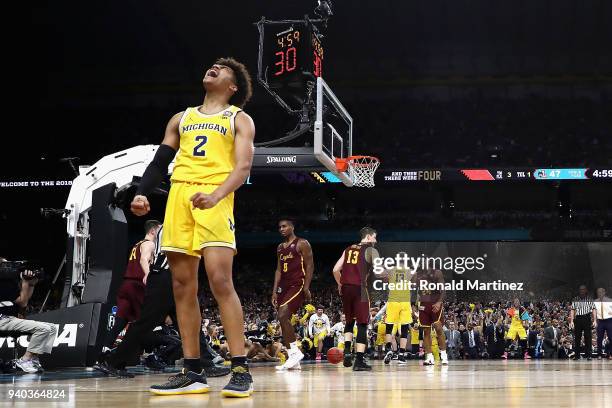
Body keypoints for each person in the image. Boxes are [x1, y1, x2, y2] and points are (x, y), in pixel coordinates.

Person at [131, 57, 255, 397]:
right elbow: (160, 162)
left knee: (219, 279)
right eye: (212, 65)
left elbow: (242, 168)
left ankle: (240, 368)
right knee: (182, 284)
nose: (213, 67)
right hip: (180, 196)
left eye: (222, 68)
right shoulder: (181, 118)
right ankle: (192, 370)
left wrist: (216, 196)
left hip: (214, 195)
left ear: (232, 87)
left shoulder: (239, 119)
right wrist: (142, 194)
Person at [94, 226, 230, 379]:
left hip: (176, 277)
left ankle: (205, 363)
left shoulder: (180, 223)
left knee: (192, 321)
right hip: (164, 277)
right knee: (144, 323)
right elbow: (149, 257)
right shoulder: (173, 223)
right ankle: (113, 361)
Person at [99, 220, 161, 356]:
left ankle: (105, 349)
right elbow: (143, 260)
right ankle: (151, 355)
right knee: (146, 321)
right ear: (152, 231)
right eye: (160, 230)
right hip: (137, 285)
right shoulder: (150, 244)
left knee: (121, 321)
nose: (161, 233)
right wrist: (148, 274)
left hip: (126, 284)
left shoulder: (137, 244)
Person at [332, 226, 379, 371]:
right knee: (363, 324)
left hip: (346, 287)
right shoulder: (371, 250)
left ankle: (347, 350)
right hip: (360, 288)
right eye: (375, 237)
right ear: (369, 236)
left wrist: (340, 284)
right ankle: (359, 361)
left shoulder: (348, 249)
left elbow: (335, 270)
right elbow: (379, 270)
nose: (376, 240)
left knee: (349, 321)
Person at [0, 259, 57, 373]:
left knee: (52, 328)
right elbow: (23, 302)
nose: (8, 268)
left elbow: (24, 298)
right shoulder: (3, 285)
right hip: (2, 320)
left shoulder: (8, 283)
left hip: (9, 319)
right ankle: (24, 360)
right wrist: (26, 282)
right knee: (44, 329)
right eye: (4, 265)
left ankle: (33, 358)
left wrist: (30, 283)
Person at [271, 218, 314, 370]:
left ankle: (295, 353)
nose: (281, 229)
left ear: (292, 227)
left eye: (284, 226)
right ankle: (294, 358)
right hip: (284, 285)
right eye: (279, 227)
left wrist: (307, 286)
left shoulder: (302, 243)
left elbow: (310, 265)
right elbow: (278, 270)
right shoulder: (280, 247)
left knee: (283, 315)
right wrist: (275, 291)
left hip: (298, 283)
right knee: (283, 319)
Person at [379, 256, 413, 365]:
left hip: (393, 301)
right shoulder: (409, 271)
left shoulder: (391, 270)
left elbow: (381, 276)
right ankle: (401, 355)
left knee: (389, 328)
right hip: (405, 302)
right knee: (404, 330)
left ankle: (389, 349)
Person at [411, 268, 448, 365]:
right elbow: (413, 290)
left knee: (438, 328)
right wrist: (413, 305)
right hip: (423, 305)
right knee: (426, 332)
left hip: (435, 303)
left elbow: (443, 290)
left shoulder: (437, 273)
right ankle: (429, 357)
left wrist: (439, 302)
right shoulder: (417, 274)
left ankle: (444, 356)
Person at [569, 285, 596, 360]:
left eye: (583, 289)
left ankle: (589, 355)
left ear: (586, 290)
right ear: (579, 290)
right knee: (577, 338)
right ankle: (577, 355)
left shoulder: (589, 299)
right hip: (578, 318)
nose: (582, 291)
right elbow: (572, 310)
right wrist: (571, 321)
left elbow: (593, 309)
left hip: (587, 318)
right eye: (580, 289)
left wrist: (595, 320)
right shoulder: (575, 299)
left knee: (588, 337)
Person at [594, 287, 612, 359]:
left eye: (601, 292)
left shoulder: (610, 300)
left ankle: (610, 354)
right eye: (598, 292)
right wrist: (594, 320)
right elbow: (593, 311)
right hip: (600, 321)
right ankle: (599, 354)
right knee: (599, 338)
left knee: (611, 338)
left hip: (609, 320)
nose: (599, 293)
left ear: (604, 292)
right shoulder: (595, 301)